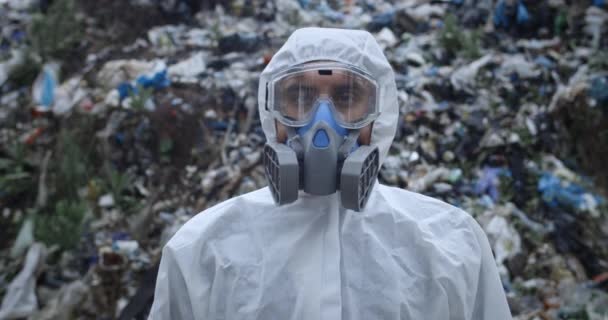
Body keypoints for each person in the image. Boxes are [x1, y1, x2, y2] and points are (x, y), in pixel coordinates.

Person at [149, 27, 512, 320]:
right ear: (272, 113)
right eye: (300, 97)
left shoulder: (451, 245)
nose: (322, 125)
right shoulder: (202, 249)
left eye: (346, 98)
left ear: (379, 115)